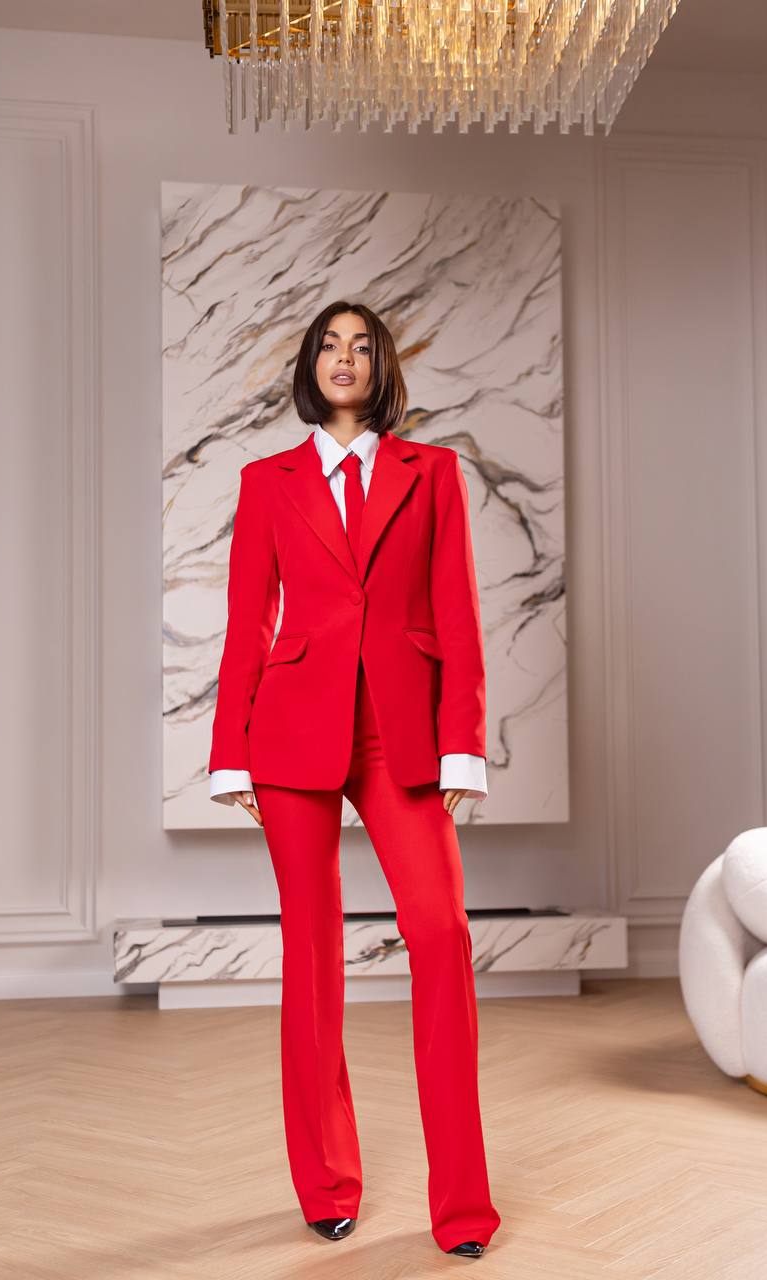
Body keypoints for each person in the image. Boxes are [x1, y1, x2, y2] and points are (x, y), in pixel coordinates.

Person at [207, 300, 501, 1257]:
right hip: (291, 733)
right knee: (312, 956)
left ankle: (462, 1209)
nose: (344, 358)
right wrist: (228, 752)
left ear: (381, 367)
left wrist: (461, 745)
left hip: (399, 735)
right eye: (329, 346)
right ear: (310, 365)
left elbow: (457, 614)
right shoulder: (267, 482)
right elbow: (247, 622)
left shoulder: (432, 473)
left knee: (440, 935)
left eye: (361, 345)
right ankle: (326, 1185)